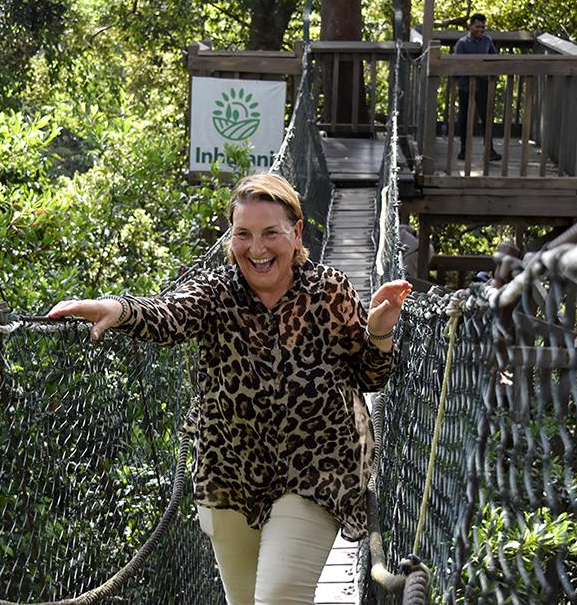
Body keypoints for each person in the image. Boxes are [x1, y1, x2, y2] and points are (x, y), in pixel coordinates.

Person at [48, 174, 411, 605]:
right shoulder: (217, 292)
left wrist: (379, 333)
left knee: (277, 597)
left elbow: (370, 377)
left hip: (316, 469)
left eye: (270, 233)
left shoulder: (329, 291)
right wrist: (119, 308)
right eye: (243, 234)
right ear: (231, 237)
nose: (256, 249)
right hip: (230, 474)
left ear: (296, 234)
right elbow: (170, 313)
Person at [454, 13, 501, 162]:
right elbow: (457, 64)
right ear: (470, 26)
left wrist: (490, 73)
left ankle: (490, 150)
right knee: (464, 118)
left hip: (483, 84)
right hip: (466, 85)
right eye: (478, 26)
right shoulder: (462, 43)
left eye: (483, 27)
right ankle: (463, 149)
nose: (481, 29)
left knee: (486, 117)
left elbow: (494, 58)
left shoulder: (487, 41)